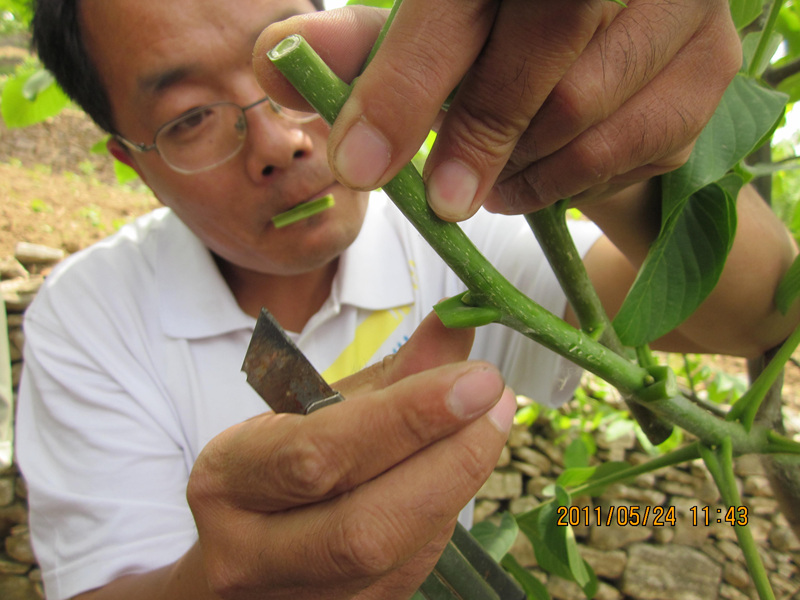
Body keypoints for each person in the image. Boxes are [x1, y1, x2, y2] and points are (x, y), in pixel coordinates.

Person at [14, 2, 798, 600]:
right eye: (189, 119)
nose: (280, 143)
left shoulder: (461, 227)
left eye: (285, 82)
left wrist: (616, 149)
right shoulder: (88, 318)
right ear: (130, 159)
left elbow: (758, 310)